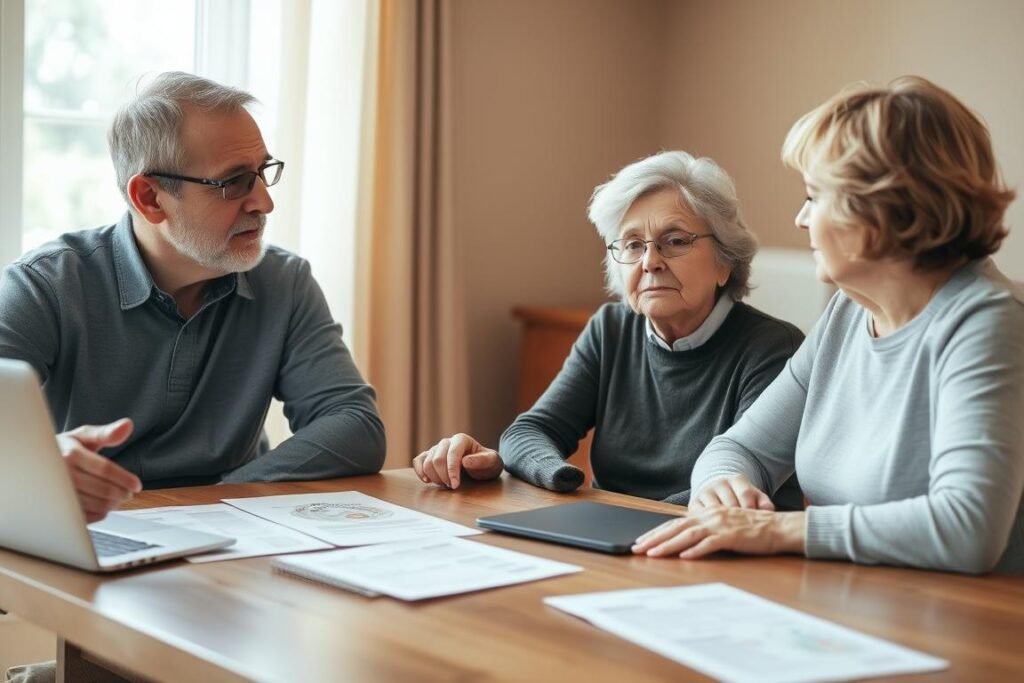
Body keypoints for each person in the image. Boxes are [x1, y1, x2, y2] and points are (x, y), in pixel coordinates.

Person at [633, 76, 1024, 574]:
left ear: (880, 211)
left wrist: (774, 530)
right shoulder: (849, 311)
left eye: (815, 197)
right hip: (853, 607)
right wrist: (722, 488)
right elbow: (738, 447)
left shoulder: (988, 322)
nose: (800, 218)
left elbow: (967, 528)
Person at [0, 72, 386, 525]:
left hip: (236, 540)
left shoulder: (284, 281)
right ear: (150, 198)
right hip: (94, 532)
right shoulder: (47, 284)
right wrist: (43, 460)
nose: (264, 202)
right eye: (234, 182)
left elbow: (354, 425)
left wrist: (221, 500)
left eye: (263, 172)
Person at [414, 151, 804, 507]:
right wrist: (560, 480)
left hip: (711, 550)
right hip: (610, 540)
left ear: (725, 262)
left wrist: (610, 513)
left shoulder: (773, 348)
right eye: (633, 245)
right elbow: (529, 432)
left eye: (675, 240)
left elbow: (737, 489)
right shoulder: (611, 329)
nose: (650, 261)